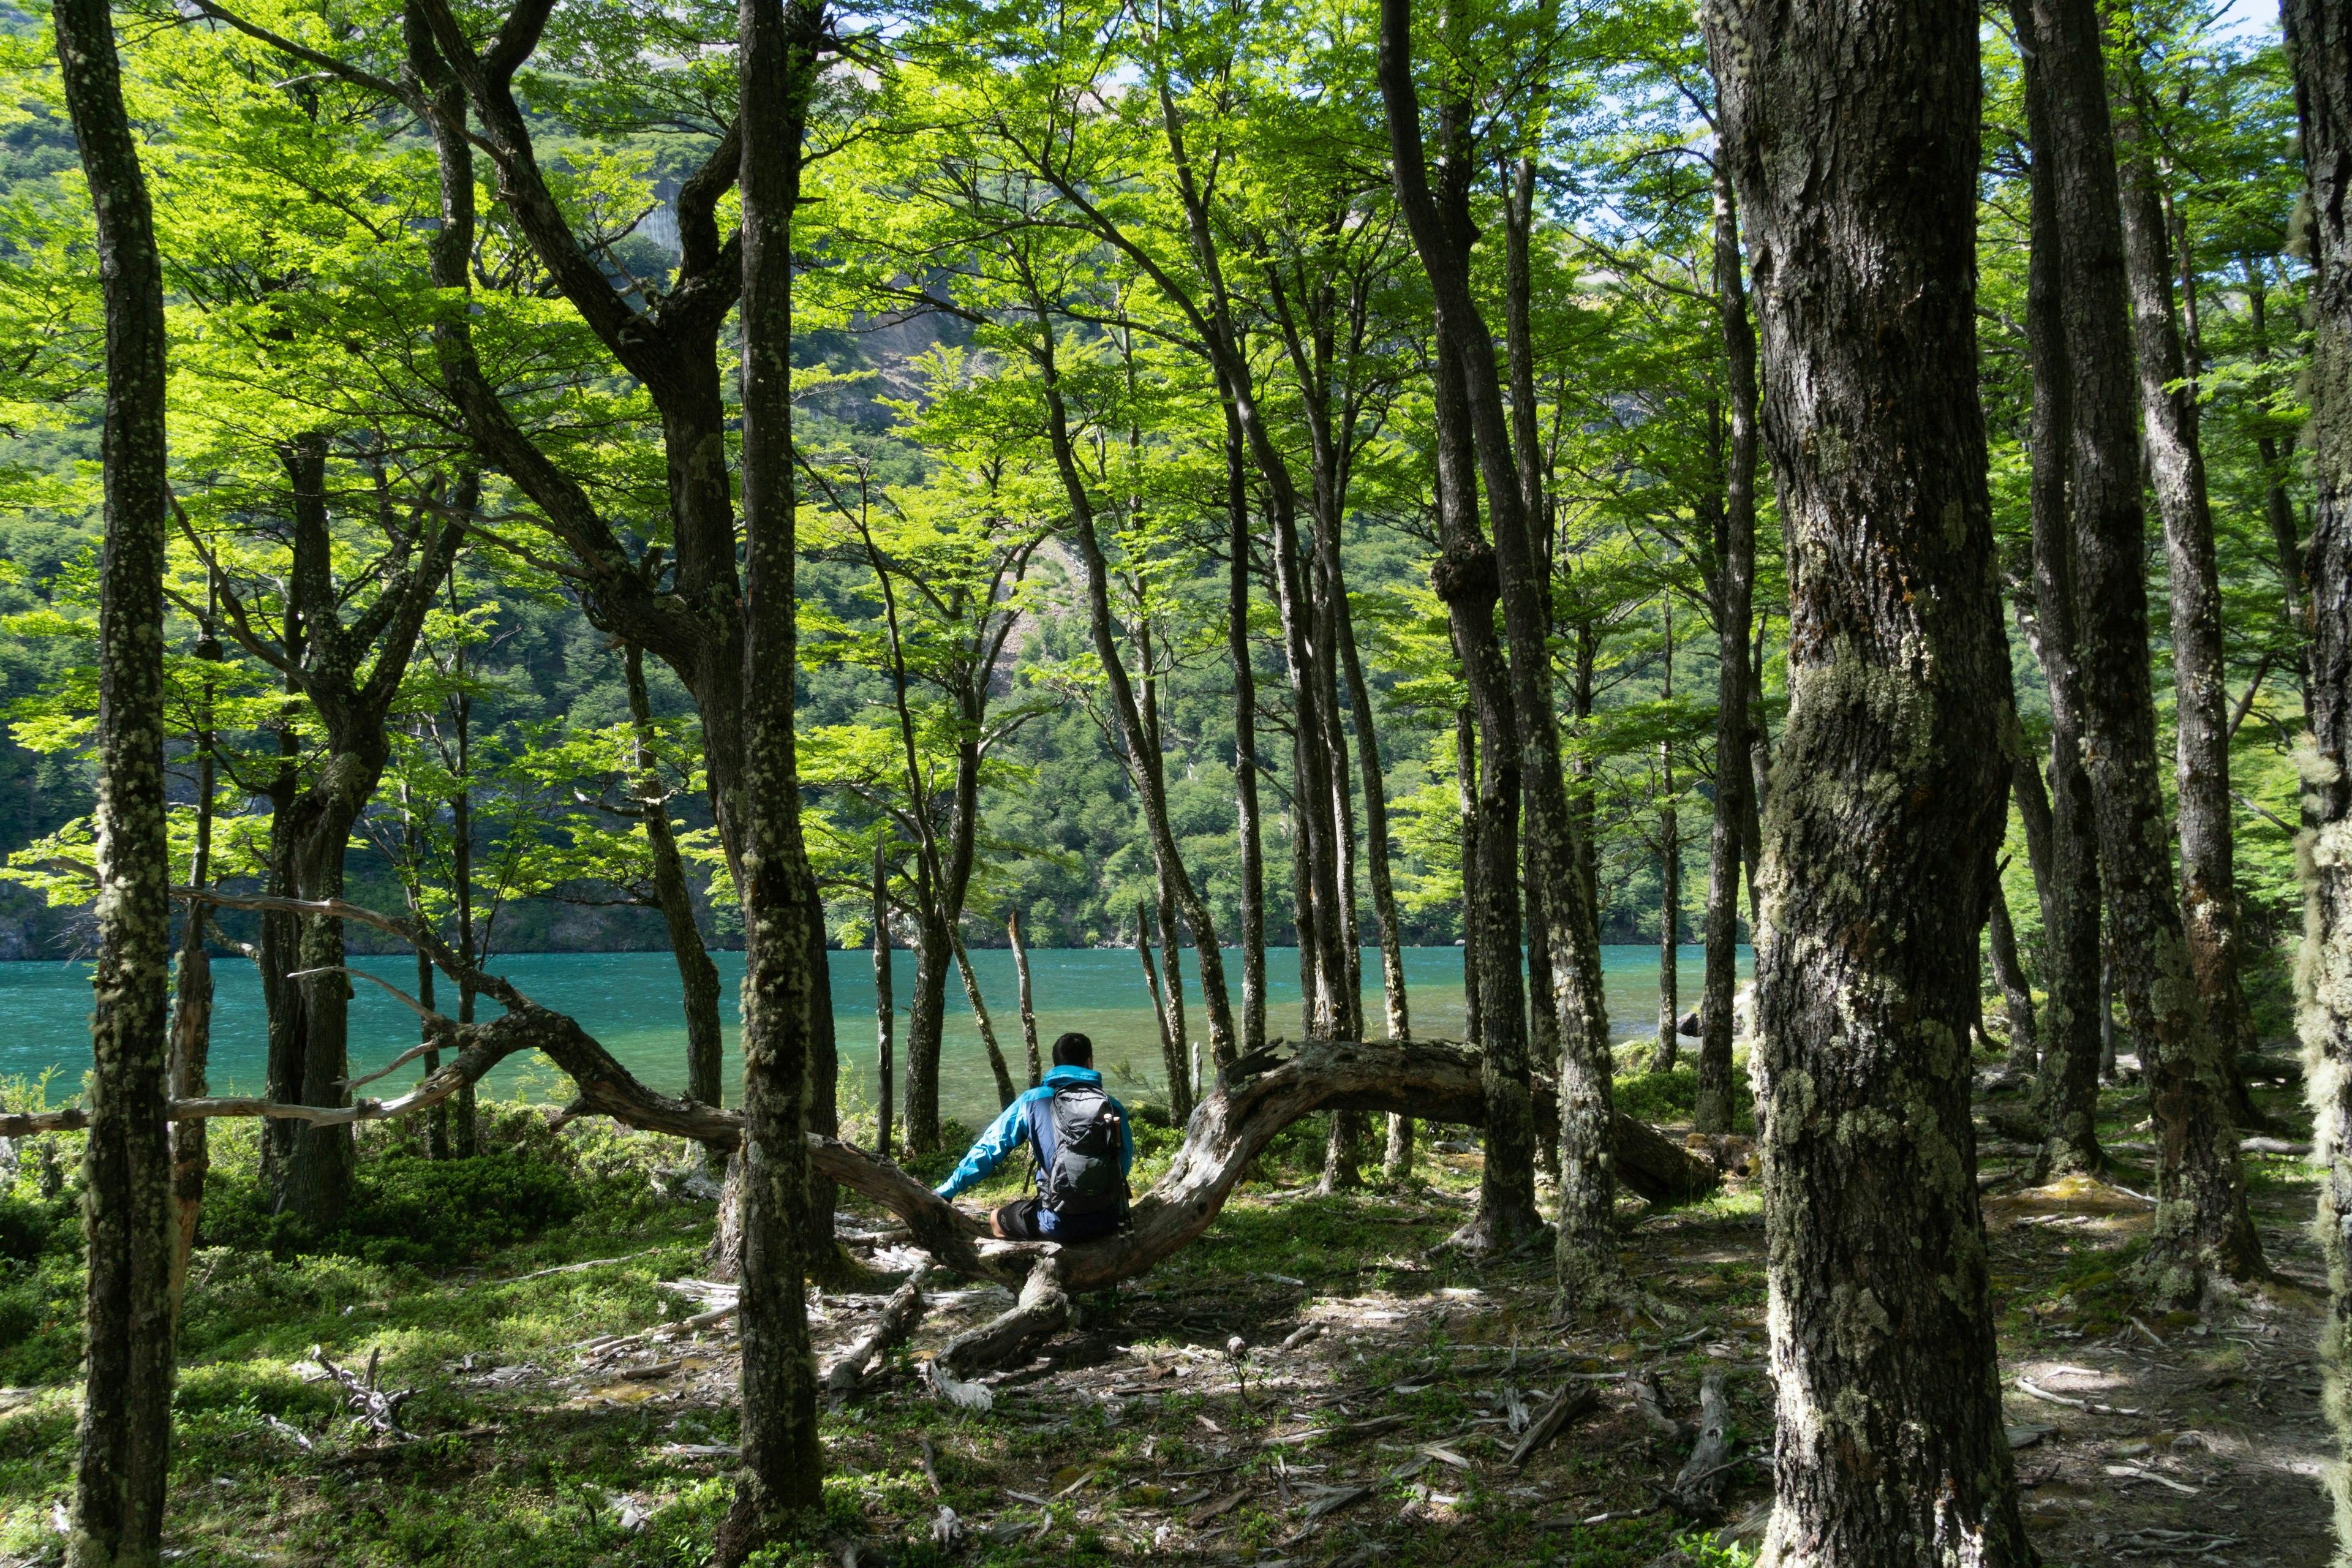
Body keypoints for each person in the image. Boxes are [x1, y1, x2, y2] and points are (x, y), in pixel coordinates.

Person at [932, 1031, 1134, 1241]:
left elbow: (990, 1148)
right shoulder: (1113, 1106)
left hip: (1057, 1223)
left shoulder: (1033, 1100)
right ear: (1090, 1063)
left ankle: (1023, 1267)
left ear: (1055, 1066)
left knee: (995, 1218)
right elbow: (1124, 1164)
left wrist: (949, 1189)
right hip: (1111, 1219)